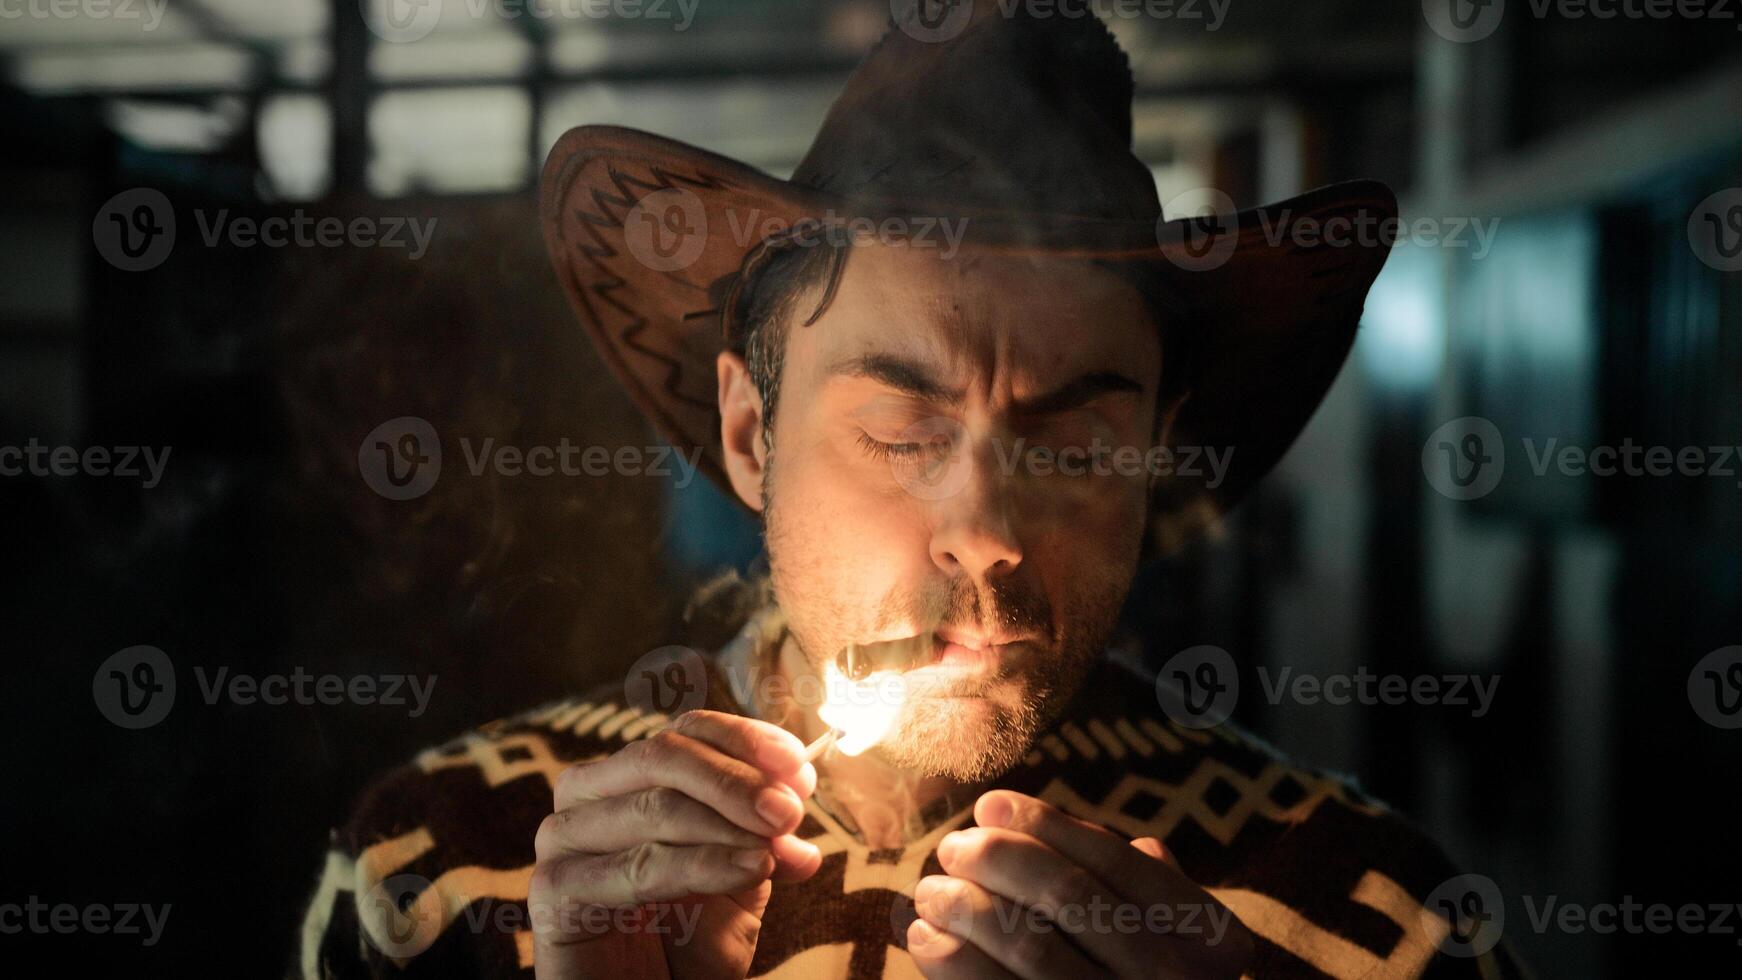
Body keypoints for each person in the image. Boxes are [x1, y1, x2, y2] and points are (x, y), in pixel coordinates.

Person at [297, 3, 1524, 977]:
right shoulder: (442, 872)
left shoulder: (1374, 922)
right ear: (747, 433)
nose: (985, 534)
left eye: (1072, 442)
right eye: (897, 430)